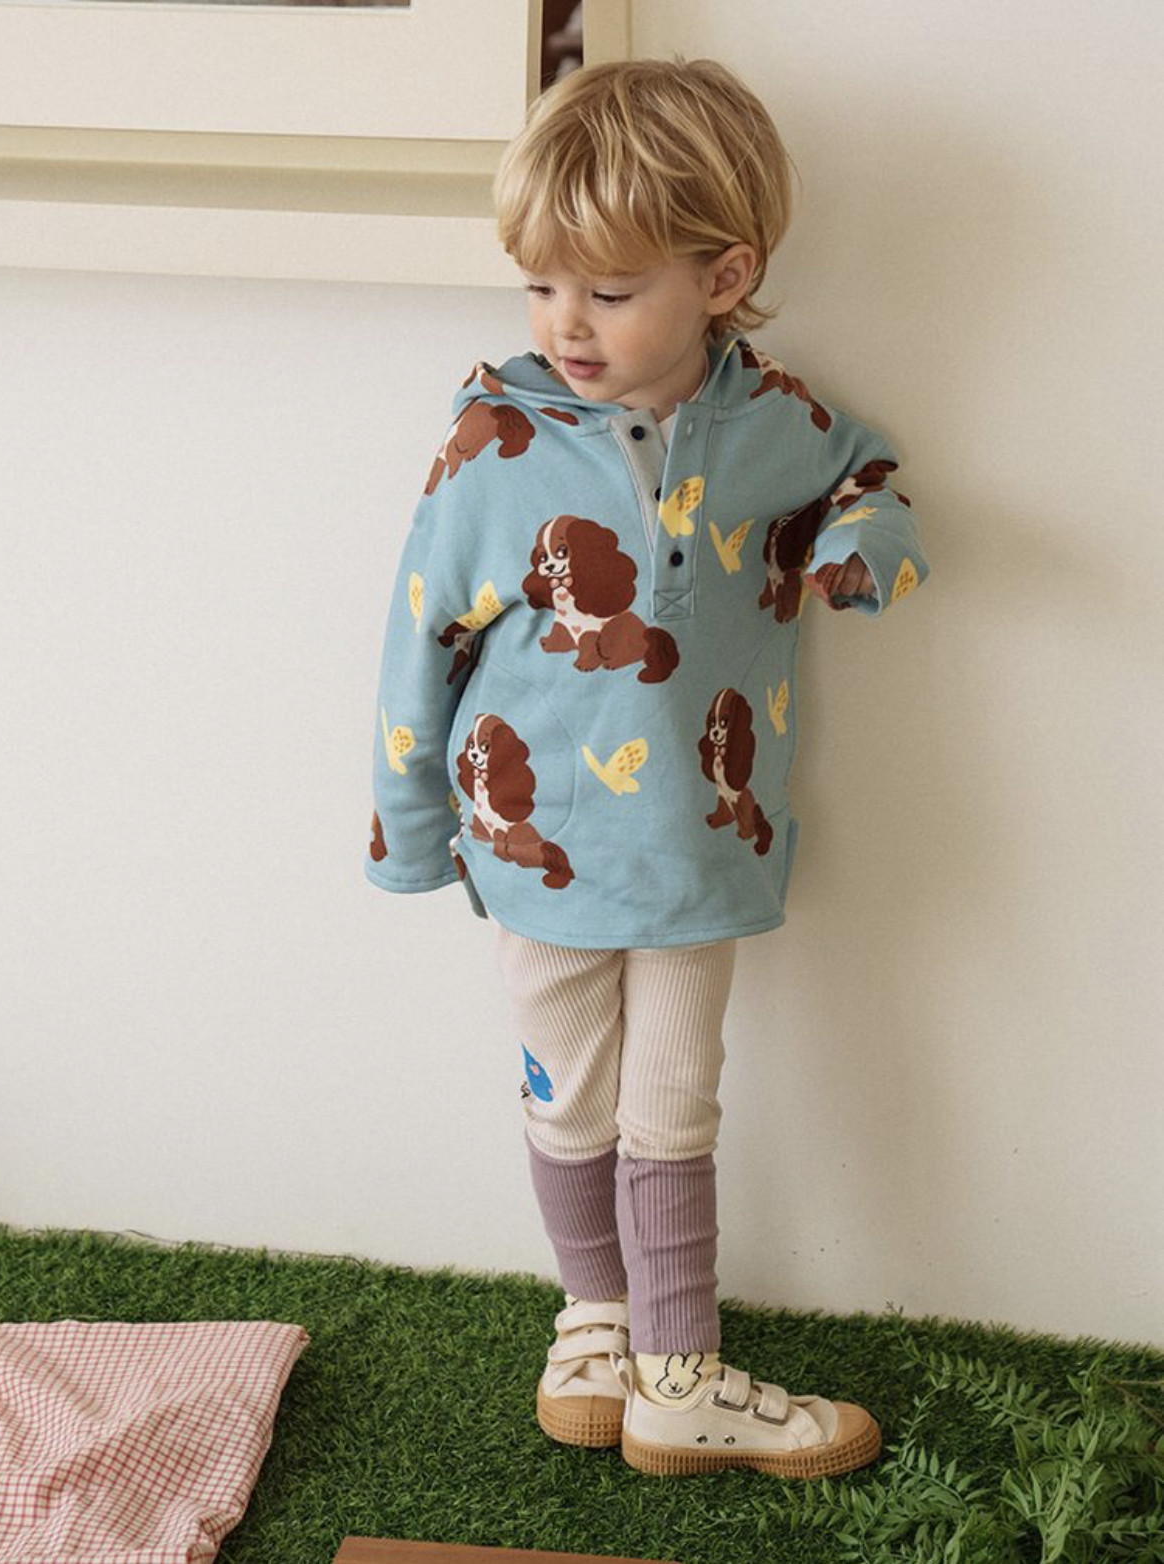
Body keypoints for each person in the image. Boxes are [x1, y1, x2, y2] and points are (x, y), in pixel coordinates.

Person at [365, 57, 929, 1478]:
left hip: (698, 847)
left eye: (609, 292)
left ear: (724, 276)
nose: (566, 323)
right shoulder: (492, 444)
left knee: (675, 1108)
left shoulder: (774, 422)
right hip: (538, 850)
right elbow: (418, 636)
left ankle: (675, 1379)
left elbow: (867, 473)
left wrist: (861, 549)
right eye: (541, 285)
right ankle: (593, 1327)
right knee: (566, 1099)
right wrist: (411, 829)